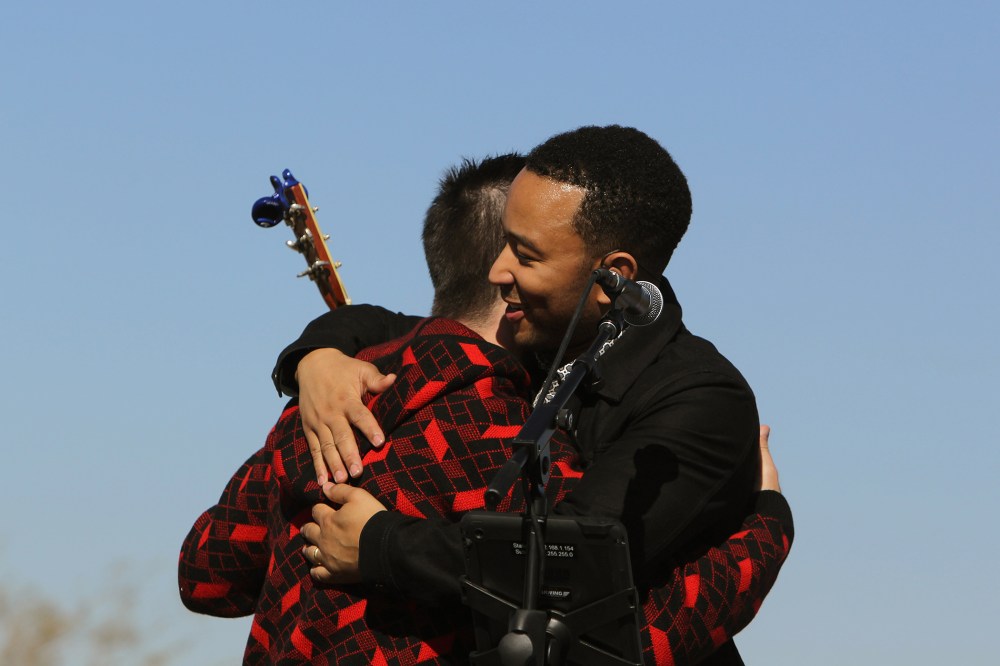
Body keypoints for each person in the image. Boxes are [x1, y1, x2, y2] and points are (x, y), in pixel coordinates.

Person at [180, 152, 792, 664]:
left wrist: (314, 361)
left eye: (524, 255)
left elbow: (206, 574)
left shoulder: (336, 403)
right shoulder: (503, 434)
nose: (505, 269)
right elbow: (608, 625)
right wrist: (766, 528)